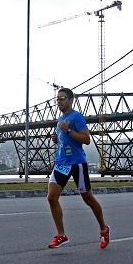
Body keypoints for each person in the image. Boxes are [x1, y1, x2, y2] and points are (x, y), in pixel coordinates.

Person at [47, 87, 110, 249]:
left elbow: (86, 139)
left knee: (87, 198)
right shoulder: (60, 119)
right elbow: (63, 140)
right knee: (51, 197)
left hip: (77, 164)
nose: (58, 102)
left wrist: (67, 130)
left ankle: (104, 229)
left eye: (62, 99)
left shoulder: (77, 117)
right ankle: (61, 235)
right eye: (57, 99)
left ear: (70, 100)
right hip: (61, 163)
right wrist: (56, 138)